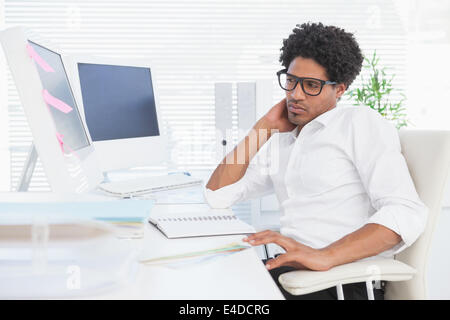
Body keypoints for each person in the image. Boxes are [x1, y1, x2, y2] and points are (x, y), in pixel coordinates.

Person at [204, 22, 428, 300]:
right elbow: (217, 195)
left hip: (339, 282)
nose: (295, 94)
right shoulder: (285, 138)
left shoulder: (358, 123)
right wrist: (263, 127)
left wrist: (326, 256)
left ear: (340, 89)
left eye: (311, 85)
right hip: (292, 275)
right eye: (291, 81)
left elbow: (406, 212)